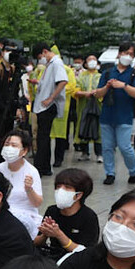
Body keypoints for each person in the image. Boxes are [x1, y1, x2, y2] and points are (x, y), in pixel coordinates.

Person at [92, 41, 135, 185]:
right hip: (107, 115)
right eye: (125, 53)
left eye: (131, 54)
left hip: (125, 116)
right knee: (107, 147)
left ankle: (134, 170)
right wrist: (108, 86)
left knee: (125, 146)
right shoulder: (108, 72)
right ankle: (110, 173)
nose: (127, 56)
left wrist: (124, 86)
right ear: (119, 54)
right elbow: (98, 93)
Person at [34, 168, 98, 260]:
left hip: (76, 261)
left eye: (67, 188)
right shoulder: (52, 210)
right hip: (52, 256)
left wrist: (59, 234)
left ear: (78, 195)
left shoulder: (89, 217)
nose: (61, 191)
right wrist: (45, 233)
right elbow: (37, 242)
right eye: (58, 186)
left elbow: (86, 252)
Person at [0, 129, 43, 237]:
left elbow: (37, 203)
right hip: (2, 214)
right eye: (7, 144)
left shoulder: (31, 171)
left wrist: (29, 189)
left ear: (24, 151)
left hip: (25, 217)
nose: (9, 148)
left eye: (14, 145)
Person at [30, 42, 67, 177]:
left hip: (48, 106)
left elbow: (63, 81)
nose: (40, 59)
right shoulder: (50, 64)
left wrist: (51, 98)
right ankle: (45, 167)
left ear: (45, 52)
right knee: (42, 137)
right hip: (43, 105)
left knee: (43, 138)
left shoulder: (57, 63)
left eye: (40, 56)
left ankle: (39, 167)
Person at [48, 49, 77, 169]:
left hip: (62, 106)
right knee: (46, 135)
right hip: (47, 106)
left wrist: (55, 92)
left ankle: (58, 159)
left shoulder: (67, 70)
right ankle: (46, 159)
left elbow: (71, 86)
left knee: (60, 135)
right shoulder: (46, 68)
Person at [74, 54, 103, 162]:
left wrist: (97, 94)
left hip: (98, 106)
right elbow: (75, 90)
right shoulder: (81, 76)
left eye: (94, 60)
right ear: (85, 63)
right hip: (83, 106)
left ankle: (99, 153)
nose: (92, 62)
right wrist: (85, 93)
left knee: (98, 128)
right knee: (83, 126)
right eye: (89, 60)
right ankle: (84, 152)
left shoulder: (100, 76)